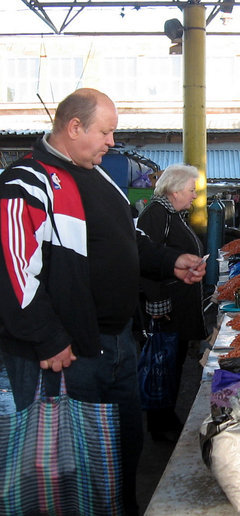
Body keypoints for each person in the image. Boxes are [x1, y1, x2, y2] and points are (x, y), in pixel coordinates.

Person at [0, 88, 205, 516]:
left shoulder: (100, 178)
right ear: (74, 127)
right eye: (106, 132)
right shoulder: (28, 182)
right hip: (68, 354)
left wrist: (173, 262)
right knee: (70, 467)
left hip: (116, 345)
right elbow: (13, 270)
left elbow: (132, 240)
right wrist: (48, 337)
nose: (112, 142)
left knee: (121, 450)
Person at [137, 163, 208, 442]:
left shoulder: (172, 213)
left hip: (178, 302)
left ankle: (166, 416)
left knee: (173, 363)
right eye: (191, 190)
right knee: (162, 365)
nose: (193, 196)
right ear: (176, 189)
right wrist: (158, 304)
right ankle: (160, 423)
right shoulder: (156, 214)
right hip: (166, 308)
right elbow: (146, 260)